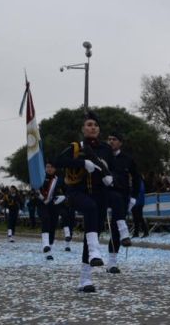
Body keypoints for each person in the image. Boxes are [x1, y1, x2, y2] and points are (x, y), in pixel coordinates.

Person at [55, 111, 112, 292]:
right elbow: (58, 161)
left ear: (99, 129)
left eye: (95, 125)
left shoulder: (105, 149)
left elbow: (113, 170)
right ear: (83, 129)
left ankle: (85, 280)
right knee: (90, 208)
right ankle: (95, 253)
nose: (92, 127)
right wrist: (81, 164)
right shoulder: (76, 147)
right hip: (77, 192)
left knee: (92, 231)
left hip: (99, 194)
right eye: (89, 125)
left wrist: (109, 177)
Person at [104, 130, 140, 273]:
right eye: (109, 139)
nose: (111, 141)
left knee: (115, 231)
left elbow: (136, 178)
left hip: (123, 195)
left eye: (114, 139)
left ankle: (112, 263)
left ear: (120, 142)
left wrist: (134, 197)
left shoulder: (127, 159)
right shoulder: (103, 157)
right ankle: (125, 232)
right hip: (106, 194)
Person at [38, 161, 66, 261]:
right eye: (47, 167)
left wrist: (63, 197)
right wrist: (38, 195)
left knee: (53, 226)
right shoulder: (40, 178)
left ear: (55, 169)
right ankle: (45, 245)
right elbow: (35, 190)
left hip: (54, 206)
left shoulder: (59, 180)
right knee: (45, 220)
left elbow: (67, 191)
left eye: (51, 167)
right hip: (42, 205)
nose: (49, 169)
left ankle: (49, 250)